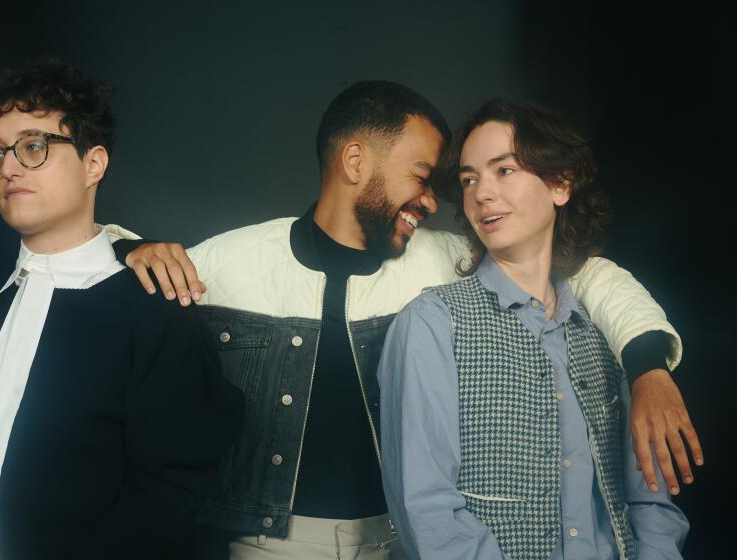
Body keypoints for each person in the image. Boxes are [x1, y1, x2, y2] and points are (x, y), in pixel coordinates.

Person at [106, 81, 699, 559]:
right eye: (423, 176)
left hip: (399, 545)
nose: (434, 200)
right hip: (270, 547)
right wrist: (126, 246)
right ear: (355, 160)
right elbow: (107, 287)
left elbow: (584, 275)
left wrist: (647, 365)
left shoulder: (443, 259)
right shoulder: (230, 260)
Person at [0, 57, 243, 560]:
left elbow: (169, 493)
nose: (8, 166)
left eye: (33, 146)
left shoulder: (156, 313)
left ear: (94, 164)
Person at [378, 99, 689, 559]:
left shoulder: (605, 327)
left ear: (560, 184)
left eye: (504, 171)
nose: (482, 193)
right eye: (469, 179)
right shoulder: (432, 324)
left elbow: (650, 501)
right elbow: (427, 508)